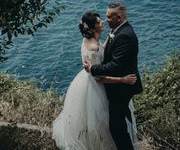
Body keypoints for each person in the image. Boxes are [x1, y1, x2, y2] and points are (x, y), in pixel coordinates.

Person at [53, 12, 137, 150]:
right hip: (96, 88)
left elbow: (99, 54)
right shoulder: (93, 48)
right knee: (102, 122)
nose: (102, 22)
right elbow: (99, 78)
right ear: (92, 29)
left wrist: (109, 39)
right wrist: (122, 79)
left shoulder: (91, 41)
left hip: (86, 80)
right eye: (98, 22)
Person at [84, 2, 142, 150]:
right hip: (118, 86)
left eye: (109, 17)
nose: (105, 19)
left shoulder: (125, 36)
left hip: (121, 89)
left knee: (117, 128)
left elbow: (115, 66)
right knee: (122, 123)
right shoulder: (119, 31)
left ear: (119, 17)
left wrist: (93, 68)